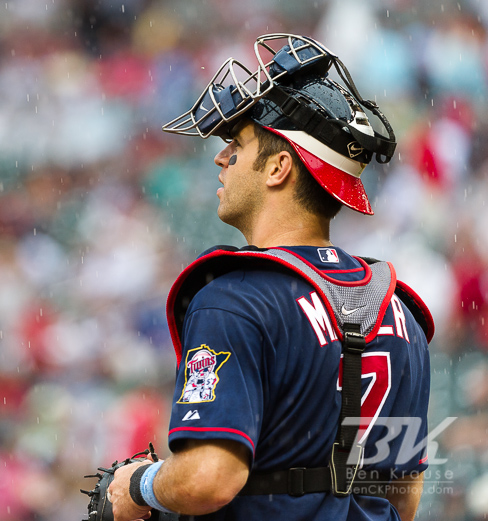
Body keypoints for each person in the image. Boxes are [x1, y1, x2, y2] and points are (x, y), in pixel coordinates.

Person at [107, 34, 433, 521]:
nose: (221, 159)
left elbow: (208, 479)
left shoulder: (235, 300)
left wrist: (139, 485)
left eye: (236, 145)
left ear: (279, 168)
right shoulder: (400, 312)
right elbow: (402, 497)